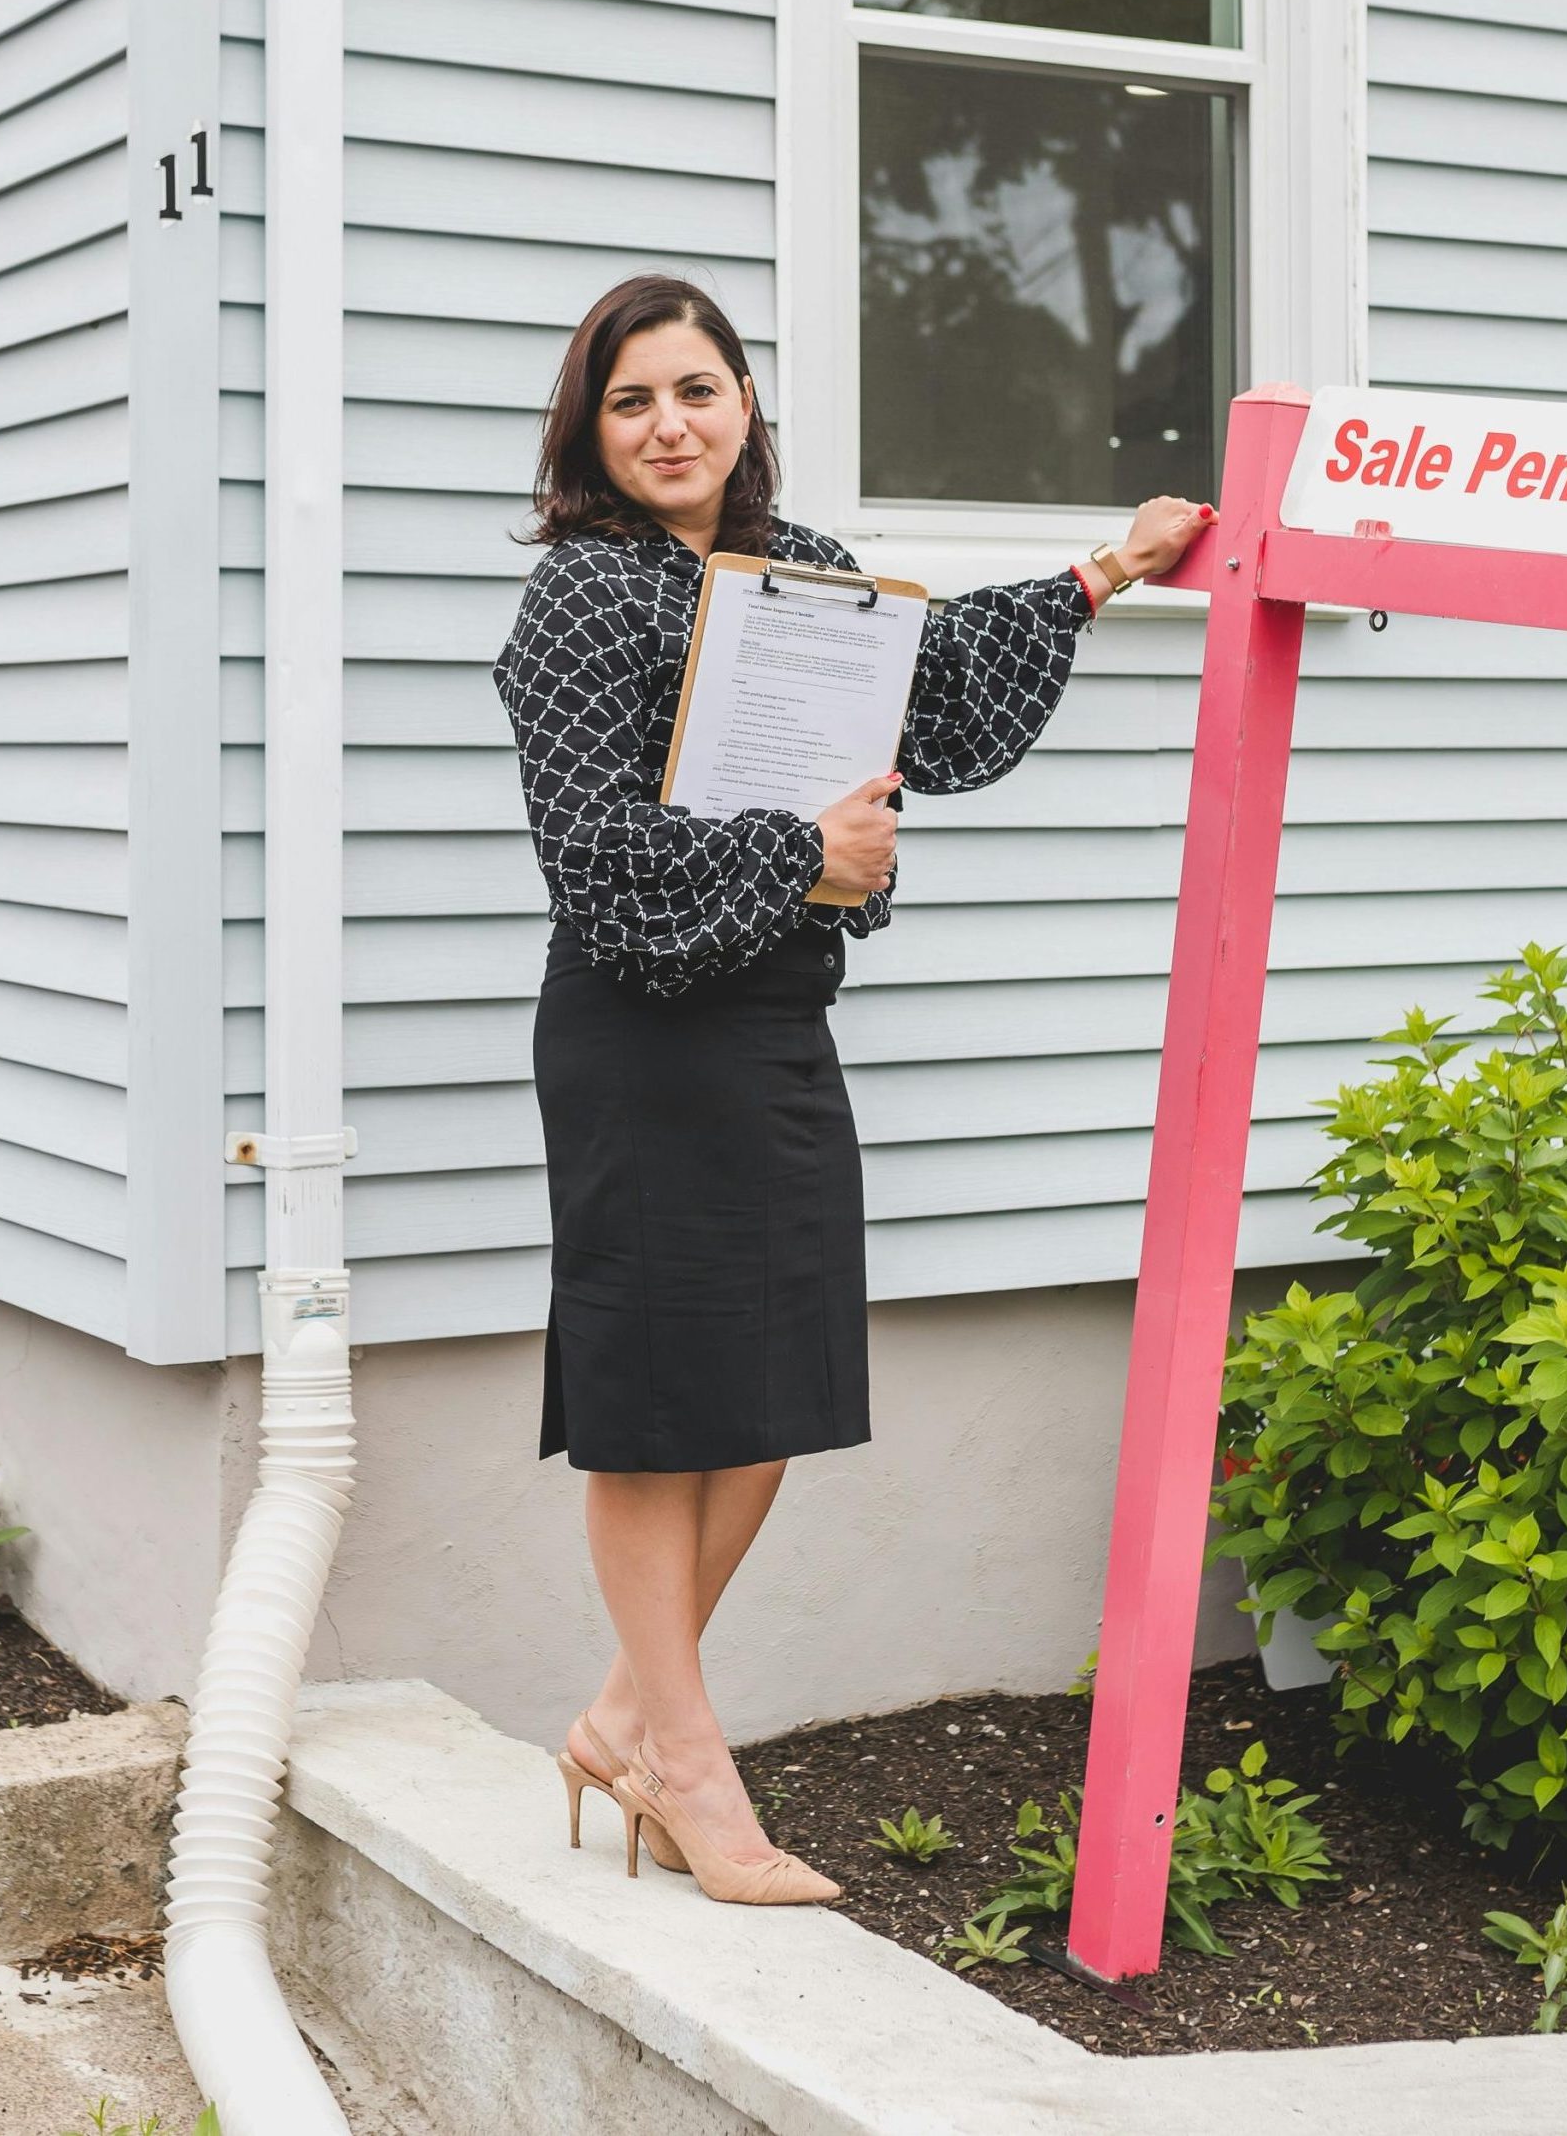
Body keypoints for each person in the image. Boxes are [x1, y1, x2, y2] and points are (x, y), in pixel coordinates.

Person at [494, 272, 1213, 1907]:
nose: (669, 423)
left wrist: (1102, 569)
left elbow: (936, 692)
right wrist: (802, 849)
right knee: (651, 1401)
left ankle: (616, 1717)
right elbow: (595, 855)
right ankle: (686, 1765)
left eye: (696, 387)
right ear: (589, 435)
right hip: (632, 1029)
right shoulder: (583, 602)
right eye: (631, 401)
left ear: (744, 400)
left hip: (771, 1022)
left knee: (771, 1391)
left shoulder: (800, 573)